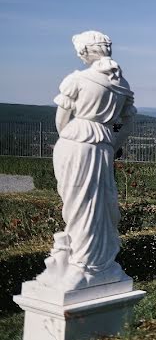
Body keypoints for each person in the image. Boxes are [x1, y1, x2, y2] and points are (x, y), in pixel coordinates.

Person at [37, 31, 137, 290]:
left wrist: (66, 143)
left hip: (76, 142)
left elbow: (62, 118)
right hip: (102, 144)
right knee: (100, 202)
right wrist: (111, 144)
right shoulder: (121, 84)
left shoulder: (78, 79)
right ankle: (97, 260)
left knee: (78, 202)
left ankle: (82, 264)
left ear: (86, 51)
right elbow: (127, 124)